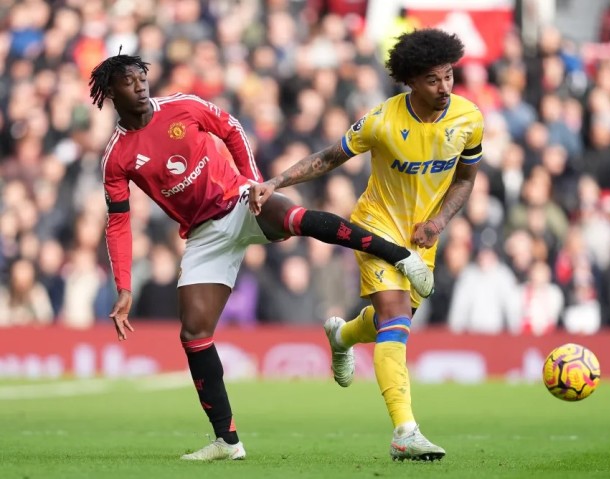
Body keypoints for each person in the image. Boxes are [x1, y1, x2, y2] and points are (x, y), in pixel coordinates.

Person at [89, 54, 434, 461]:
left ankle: (400, 258)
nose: (141, 85)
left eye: (141, 77)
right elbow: (118, 223)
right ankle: (228, 442)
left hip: (238, 201)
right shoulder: (117, 157)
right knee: (193, 333)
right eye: (129, 81)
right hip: (203, 236)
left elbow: (231, 128)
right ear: (111, 93)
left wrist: (254, 181)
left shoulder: (182, 105)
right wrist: (124, 286)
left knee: (296, 217)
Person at [250, 28, 484, 461]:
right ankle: (405, 431)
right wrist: (276, 181)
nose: (444, 88)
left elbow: (466, 180)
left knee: (387, 321)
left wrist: (439, 221)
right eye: (433, 79)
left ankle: (342, 335)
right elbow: (327, 157)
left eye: (449, 76)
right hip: (376, 227)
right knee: (396, 322)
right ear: (410, 80)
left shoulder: (469, 118)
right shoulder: (382, 120)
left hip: (423, 236)